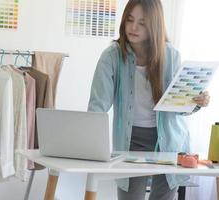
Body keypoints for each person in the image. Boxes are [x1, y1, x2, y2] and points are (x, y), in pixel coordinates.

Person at [87, 0, 210, 199]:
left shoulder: (171, 55)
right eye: (130, 20)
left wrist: (196, 102)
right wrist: (90, 145)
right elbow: (97, 106)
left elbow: (180, 106)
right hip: (130, 141)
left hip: (169, 141)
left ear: (154, 24)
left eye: (142, 23)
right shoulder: (112, 56)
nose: (133, 28)